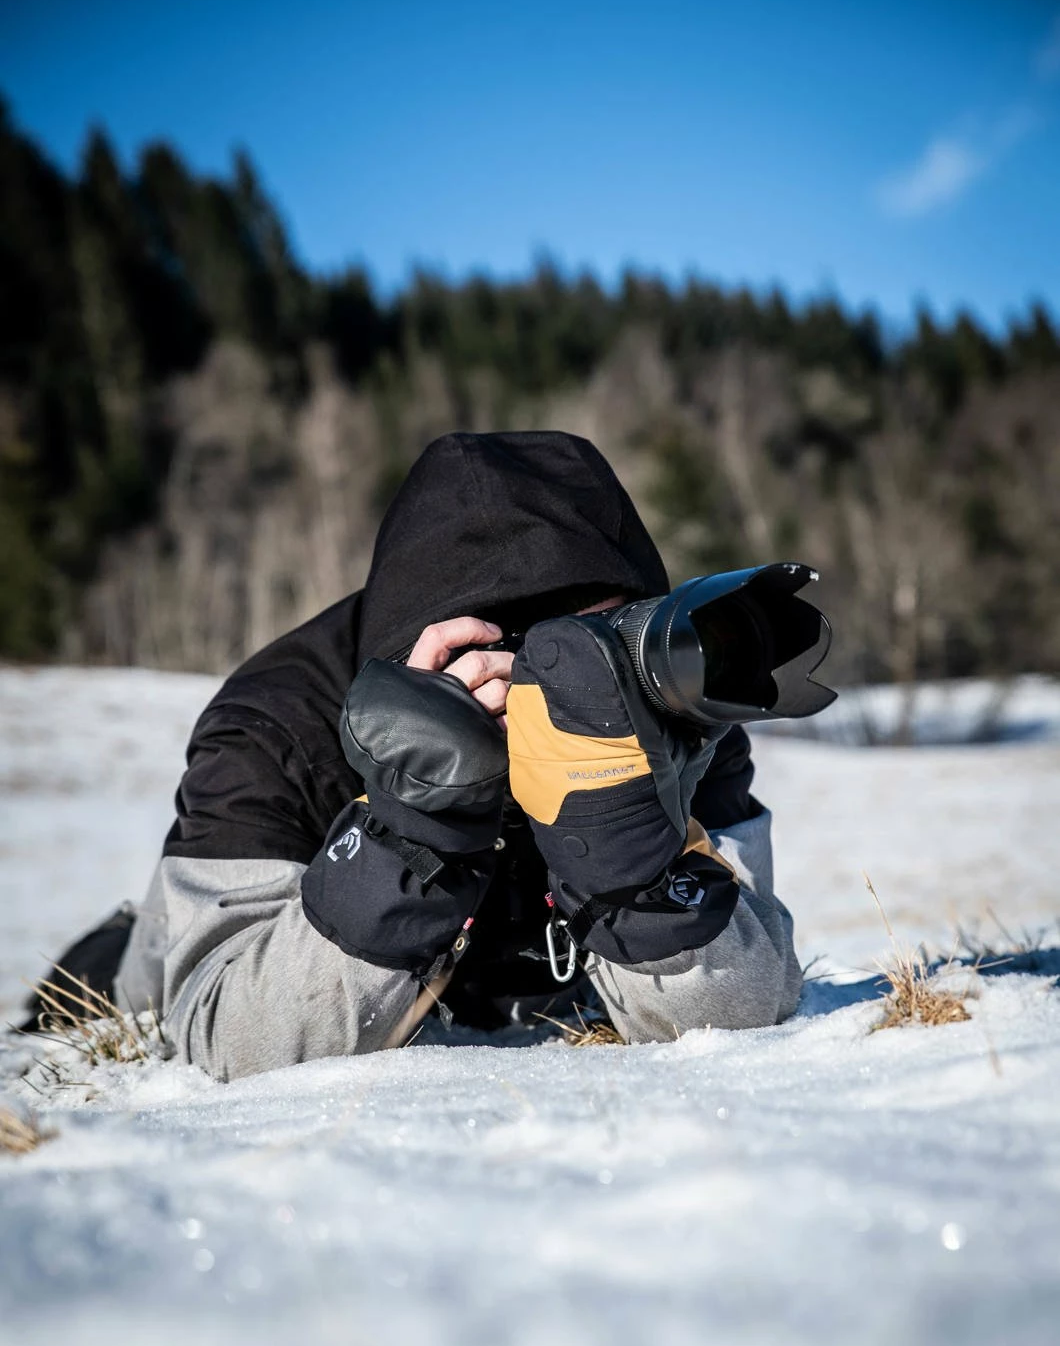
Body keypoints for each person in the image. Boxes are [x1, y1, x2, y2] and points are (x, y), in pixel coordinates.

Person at [99, 431, 800, 1079]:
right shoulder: (278, 723)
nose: (559, 680)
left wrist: (622, 839)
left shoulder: (669, 706)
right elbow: (227, 1040)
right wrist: (412, 830)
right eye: (509, 645)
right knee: (107, 968)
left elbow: (745, 1013)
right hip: (155, 964)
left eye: (592, 644)